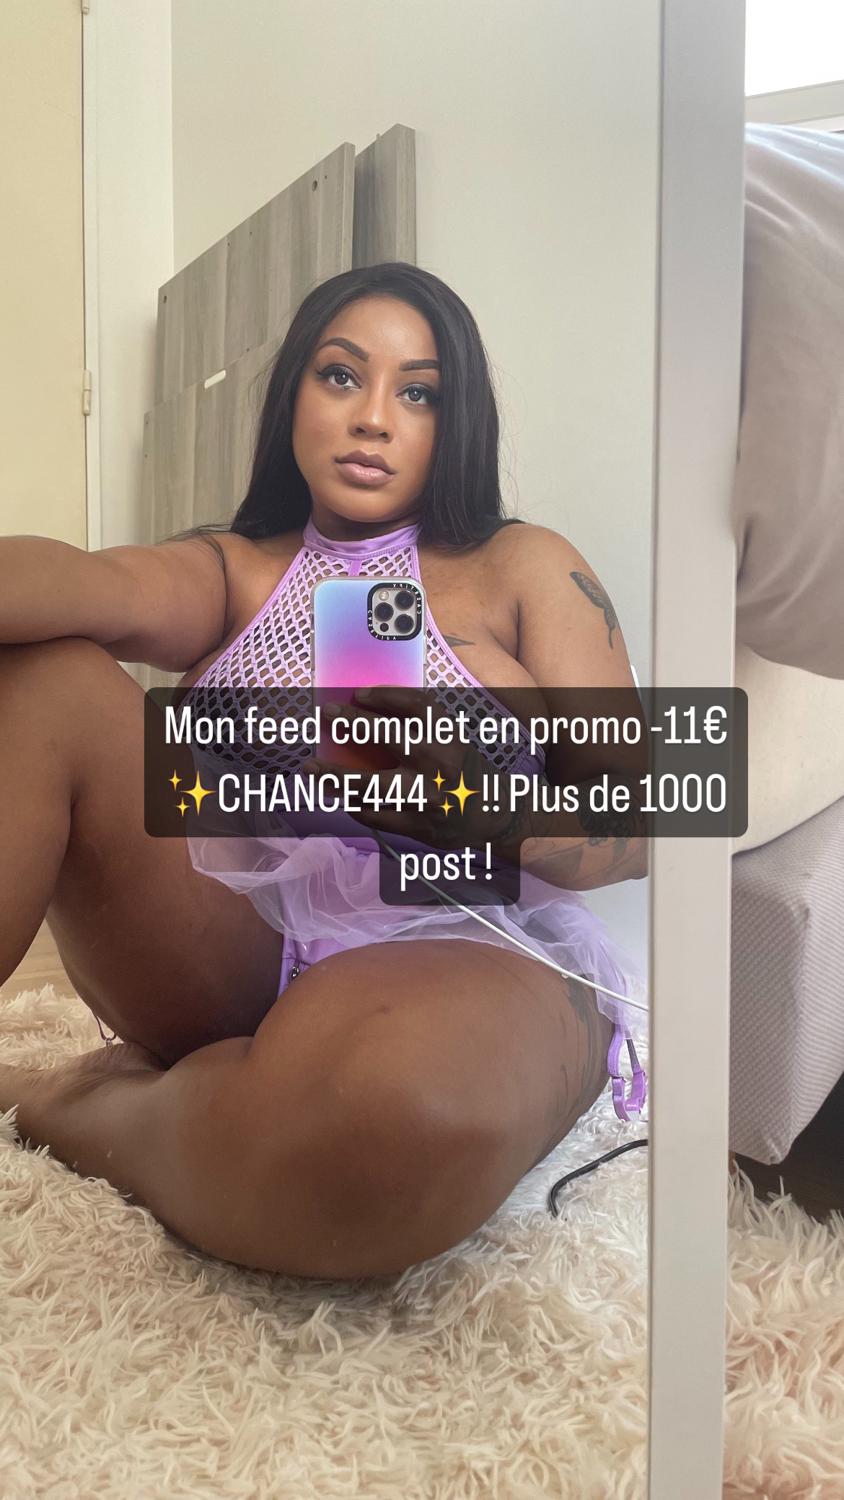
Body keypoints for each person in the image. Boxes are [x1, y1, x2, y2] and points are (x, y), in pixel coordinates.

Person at [0, 262, 647, 1280]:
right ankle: (237, 1105)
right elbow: (85, 583)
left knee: (385, 1126)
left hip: (459, 940)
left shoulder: (523, 568)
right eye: (342, 375)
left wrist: (489, 814)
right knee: (45, 680)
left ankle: (75, 1106)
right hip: (239, 941)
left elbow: (637, 824)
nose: (374, 418)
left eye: (418, 393)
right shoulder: (237, 569)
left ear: (456, 421)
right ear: (294, 394)